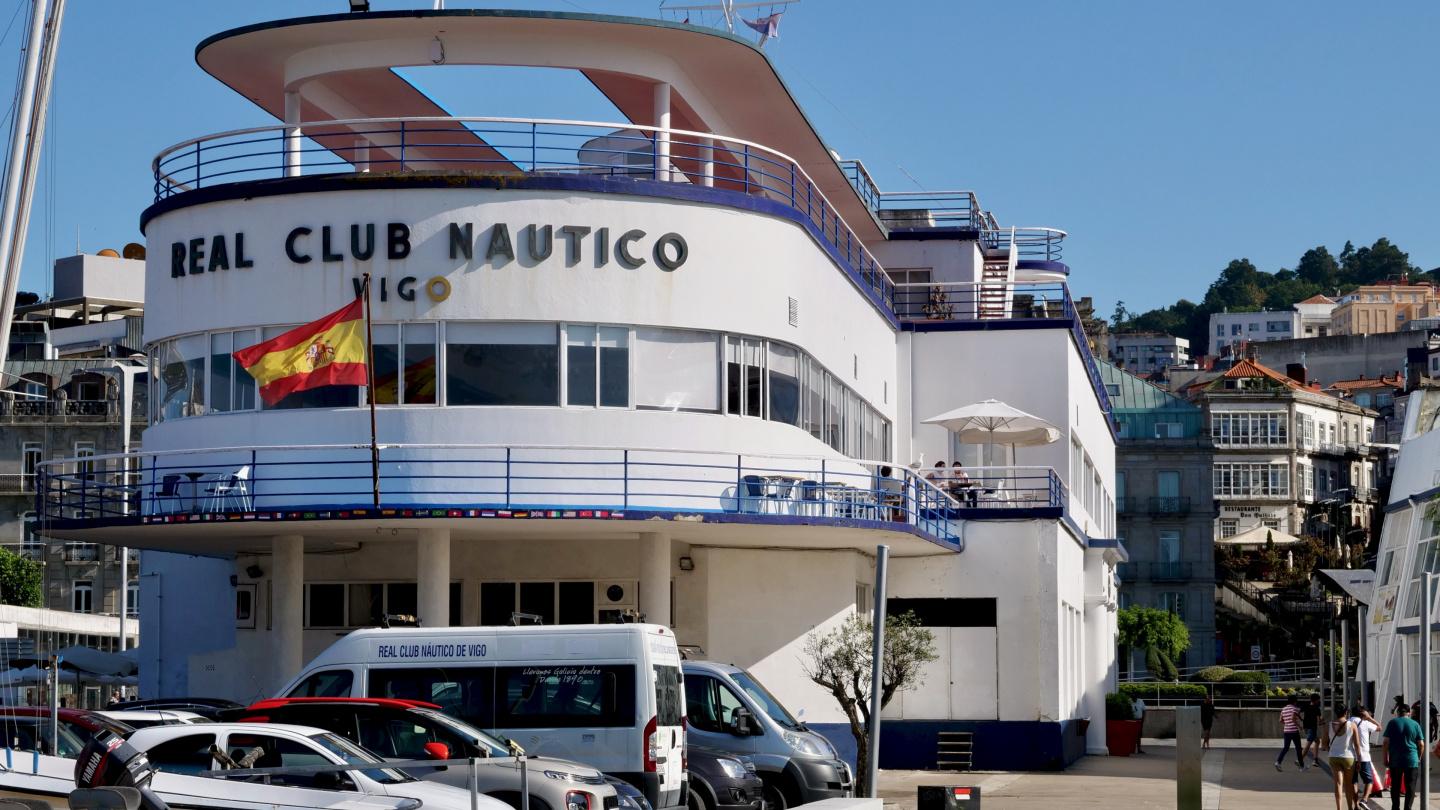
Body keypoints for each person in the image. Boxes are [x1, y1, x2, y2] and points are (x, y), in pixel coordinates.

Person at [1384, 703, 1424, 810]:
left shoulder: (1392, 723)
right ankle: (1408, 808)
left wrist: (1385, 758)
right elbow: (1421, 744)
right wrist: (1419, 757)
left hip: (1395, 760)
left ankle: (1395, 807)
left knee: (1395, 786)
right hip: (1411, 759)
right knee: (1410, 786)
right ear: (1408, 713)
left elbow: (1385, 742)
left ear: (1398, 712)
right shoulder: (1415, 724)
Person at [1323, 702, 1358, 810]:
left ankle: (1339, 808)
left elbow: (1324, 742)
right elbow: (1357, 744)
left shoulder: (1328, 725)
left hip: (1334, 756)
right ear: (1346, 713)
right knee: (1348, 784)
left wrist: (1330, 751)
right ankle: (1350, 808)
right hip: (1348, 757)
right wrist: (1360, 760)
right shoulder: (1352, 725)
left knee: (1338, 784)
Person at [1352, 705, 1380, 803]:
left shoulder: (1348, 723)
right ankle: (1364, 800)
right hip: (1364, 756)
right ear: (1363, 713)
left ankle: (1355, 804)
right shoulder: (1365, 723)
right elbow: (1379, 727)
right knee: (1369, 780)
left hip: (1350, 756)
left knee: (1353, 781)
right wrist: (1369, 717)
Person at [1276, 695, 1307, 771]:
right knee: (1298, 748)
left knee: (1286, 748)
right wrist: (1299, 726)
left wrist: (1287, 723)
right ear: (1294, 702)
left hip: (1286, 731)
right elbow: (1293, 718)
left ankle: (1278, 762)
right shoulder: (1294, 708)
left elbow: (1280, 720)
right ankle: (1302, 766)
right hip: (1294, 731)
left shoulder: (1284, 709)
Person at [1302, 694, 1324, 766]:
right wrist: (1321, 719)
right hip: (1312, 728)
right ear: (1315, 700)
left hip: (1306, 727)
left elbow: (1297, 711)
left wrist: (1301, 719)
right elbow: (1319, 720)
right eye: (1318, 700)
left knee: (1317, 741)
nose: (1318, 701)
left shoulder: (1306, 705)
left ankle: (1315, 759)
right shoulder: (1316, 708)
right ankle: (1300, 759)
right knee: (1308, 743)